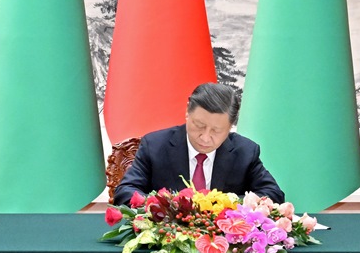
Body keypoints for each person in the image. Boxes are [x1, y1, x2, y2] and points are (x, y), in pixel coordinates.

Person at [113, 83, 284, 206]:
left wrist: (227, 205)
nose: (205, 138)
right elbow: (125, 191)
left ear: (230, 127)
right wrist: (163, 206)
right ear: (188, 111)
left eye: (216, 131)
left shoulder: (245, 152)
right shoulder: (155, 146)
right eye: (199, 126)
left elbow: (273, 194)